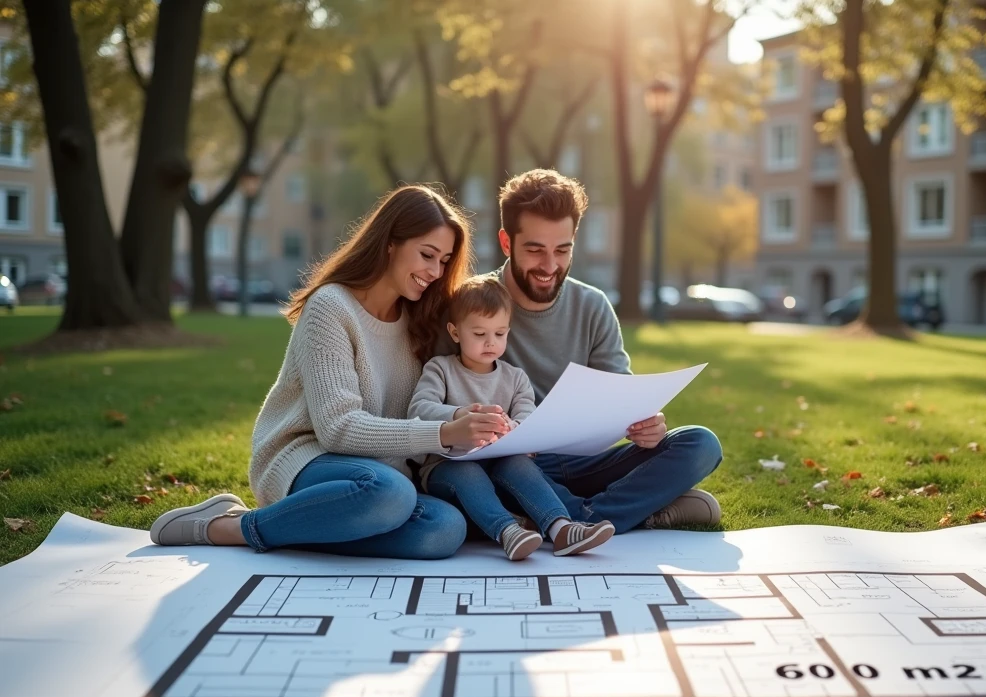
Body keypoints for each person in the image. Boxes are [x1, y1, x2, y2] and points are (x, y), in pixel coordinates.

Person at [146, 185, 511, 558]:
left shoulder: (421, 319)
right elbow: (338, 429)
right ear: (390, 243)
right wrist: (445, 432)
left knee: (445, 529)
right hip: (307, 460)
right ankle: (230, 526)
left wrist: (466, 418)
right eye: (427, 255)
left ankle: (311, 526)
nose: (435, 272)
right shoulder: (331, 308)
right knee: (390, 493)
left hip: (379, 478)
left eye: (444, 261)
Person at [471, 168, 724, 534]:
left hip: (588, 463)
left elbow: (622, 397)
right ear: (507, 243)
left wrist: (646, 425)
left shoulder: (593, 305)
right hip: (515, 466)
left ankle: (576, 516)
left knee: (701, 443)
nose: (549, 266)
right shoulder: (472, 303)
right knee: (490, 472)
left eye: (562, 249)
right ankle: (626, 513)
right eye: (535, 250)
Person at [409, 274, 616, 560]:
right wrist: (457, 415)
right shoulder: (441, 369)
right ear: (455, 333)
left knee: (520, 465)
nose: (490, 342)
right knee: (467, 473)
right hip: (447, 467)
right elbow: (418, 409)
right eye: (479, 334)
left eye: (500, 333)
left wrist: (515, 428)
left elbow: (528, 417)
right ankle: (509, 532)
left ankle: (561, 528)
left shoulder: (516, 378)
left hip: (501, 464)